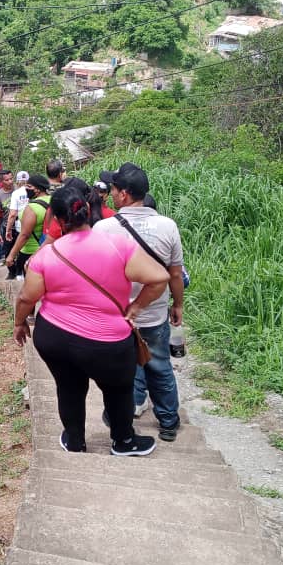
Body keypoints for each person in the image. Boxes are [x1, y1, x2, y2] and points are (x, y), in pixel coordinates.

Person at [13, 182, 169, 456]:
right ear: (86, 209)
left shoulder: (46, 256)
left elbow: (27, 298)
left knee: (69, 387)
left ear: (59, 221)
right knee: (118, 390)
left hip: (55, 337)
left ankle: (75, 441)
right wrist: (135, 308)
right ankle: (124, 442)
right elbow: (159, 278)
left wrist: (19, 323)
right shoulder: (118, 245)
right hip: (108, 343)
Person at [94, 164, 185, 442]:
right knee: (159, 365)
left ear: (123, 194)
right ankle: (168, 421)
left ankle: (121, 413)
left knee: (121, 368)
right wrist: (178, 305)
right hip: (154, 313)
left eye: (113, 189)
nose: (110, 193)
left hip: (117, 315)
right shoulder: (168, 226)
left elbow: (96, 274)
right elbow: (175, 273)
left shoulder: (103, 228)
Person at [6, 173, 50, 280]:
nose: (26, 188)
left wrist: (11, 255)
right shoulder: (53, 200)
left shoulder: (32, 208)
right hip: (48, 249)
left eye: (29, 186)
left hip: (31, 251)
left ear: (38, 189)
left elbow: (25, 235)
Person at [5, 170, 31, 275]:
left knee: (21, 248)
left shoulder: (16, 193)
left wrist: (8, 229)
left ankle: (20, 273)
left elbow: (12, 214)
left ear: (18, 181)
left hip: (21, 225)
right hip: (35, 224)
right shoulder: (35, 191)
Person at [0, 169, 14, 267]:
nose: (10, 181)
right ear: (1, 181)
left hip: (21, 226)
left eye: (11, 179)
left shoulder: (19, 190)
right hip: (7, 228)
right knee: (8, 254)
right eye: (7, 180)